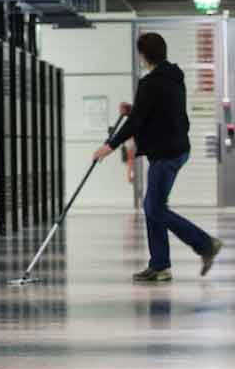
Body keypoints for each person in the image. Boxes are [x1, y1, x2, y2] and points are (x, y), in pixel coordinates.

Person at [92, 32, 223, 282]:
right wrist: (133, 110)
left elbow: (136, 123)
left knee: (154, 207)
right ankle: (160, 265)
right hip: (179, 149)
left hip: (165, 154)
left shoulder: (149, 83)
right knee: (153, 206)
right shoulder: (175, 77)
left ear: (143, 55)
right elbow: (157, 110)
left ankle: (205, 244)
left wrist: (108, 147)